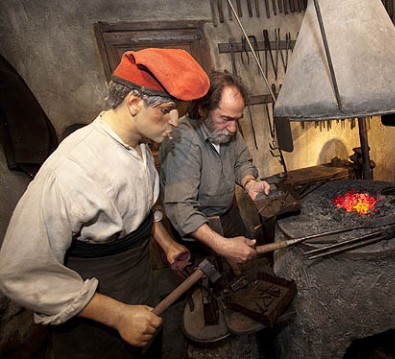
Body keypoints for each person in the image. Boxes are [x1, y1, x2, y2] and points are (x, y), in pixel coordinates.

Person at [0, 48, 210, 358]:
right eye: (167, 109)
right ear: (135, 102)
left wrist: (166, 244)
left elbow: (141, 211)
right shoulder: (71, 171)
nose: (175, 121)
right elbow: (21, 271)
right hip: (94, 328)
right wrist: (119, 316)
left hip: (141, 296)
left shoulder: (139, 147)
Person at [160, 71, 270, 266]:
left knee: (249, 272)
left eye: (237, 119)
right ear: (203, 109)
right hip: (198, 230)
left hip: (228, 215)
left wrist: (249, 182)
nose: (233, 128)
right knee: (215, 285)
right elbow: (181, 209)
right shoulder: (183, 140)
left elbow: (241, 162)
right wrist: (222, 245)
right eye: (226, 119)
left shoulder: (228, 128)